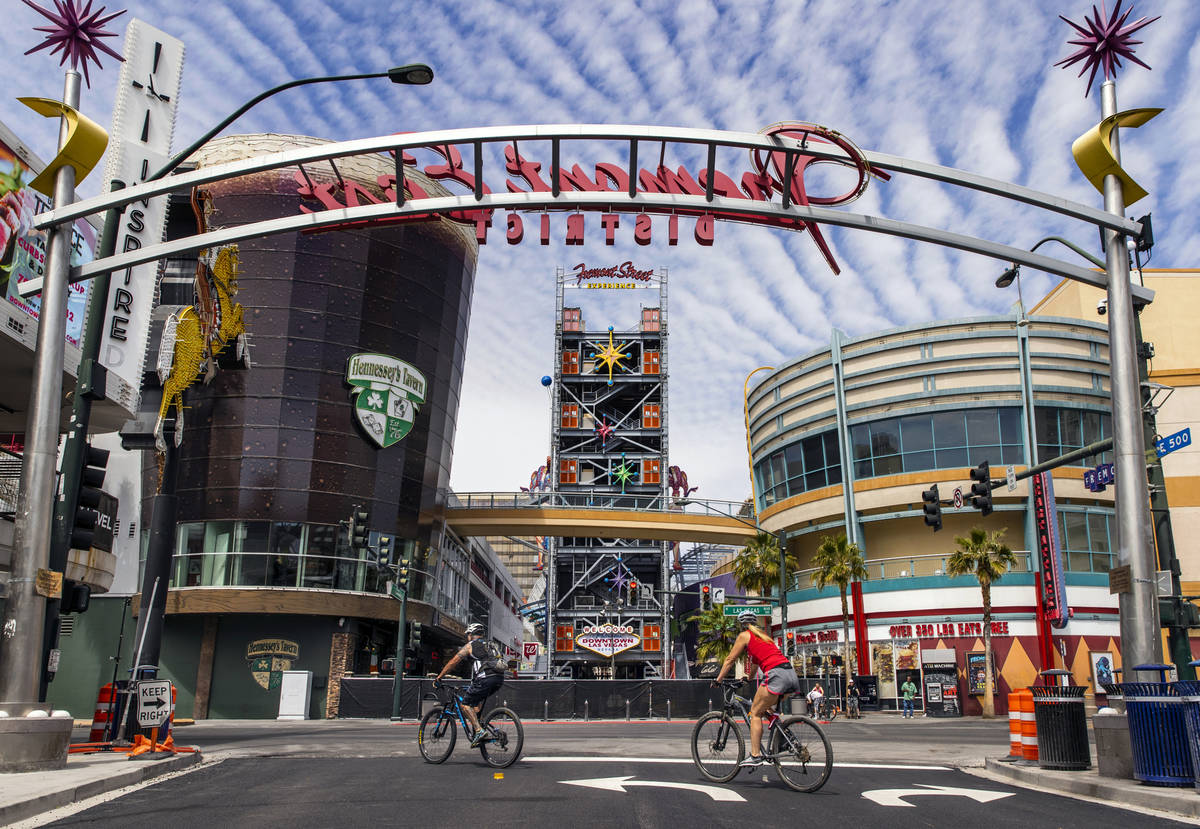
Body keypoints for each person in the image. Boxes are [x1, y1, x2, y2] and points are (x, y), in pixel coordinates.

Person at [713, 611, 801, 768]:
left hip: (776, 675)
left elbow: (729, 660)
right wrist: (748, 678)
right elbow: (755, 664)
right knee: (766, 711)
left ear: (741, 624)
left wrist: (718, 680)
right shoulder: (764, 637)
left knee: (755, 712)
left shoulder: (745, 635)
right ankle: (786, 740)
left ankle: (755, 755)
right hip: (790, 674)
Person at [434, 623, 505, 746]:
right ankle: (488, 731)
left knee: (465, 704)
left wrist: (439, 677)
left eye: (468, 634)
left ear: (471, 635)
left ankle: (478, 731)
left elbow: (453, 661)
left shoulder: (471, 645)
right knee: (476, 708)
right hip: (498, 678)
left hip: (485, 679)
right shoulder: (491, 645)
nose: (467, 637)